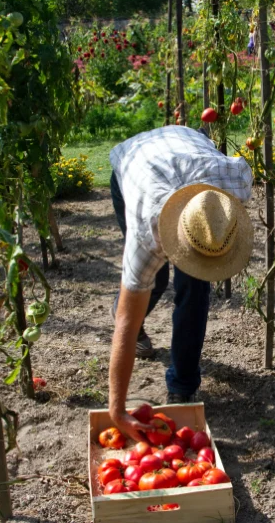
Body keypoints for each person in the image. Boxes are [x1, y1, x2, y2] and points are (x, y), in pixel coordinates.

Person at [108, 126, 254, 442]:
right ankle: (139, 320)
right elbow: (123, 324)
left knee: (196, 288)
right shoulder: (147, 233)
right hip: (134, 165)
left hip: (184, 145)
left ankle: (182, 386)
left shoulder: (233, 186)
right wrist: (117, 411)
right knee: (153, 281)